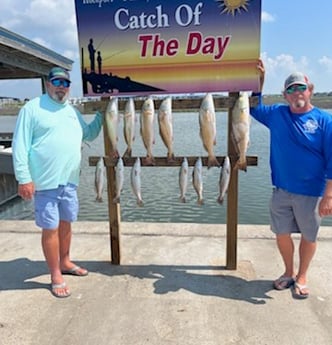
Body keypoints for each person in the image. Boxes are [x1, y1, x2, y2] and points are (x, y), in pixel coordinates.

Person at [12, 67, 103, 298]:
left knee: (66, 224)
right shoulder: (32, 109)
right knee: (50, 228)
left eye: (65, 83)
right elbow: (20, 146)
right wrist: (24, 178)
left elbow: (88, 134)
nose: (61, 87)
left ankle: (65, 261)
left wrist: (102, 115)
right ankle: (55, 275)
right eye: (57, 82)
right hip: (44, 183)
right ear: (48, 84)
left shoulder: (72, 111)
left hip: (69, 181)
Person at [250, 59, 332, 299]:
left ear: (311, 91)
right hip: (281, 190)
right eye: (291, 89)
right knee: (281, 233)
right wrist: (260, 80)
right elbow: (254, 106)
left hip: (312, 192)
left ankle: (303, 276)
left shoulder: (325, 121)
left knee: (309, 235)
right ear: (284, 95)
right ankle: (289, 271)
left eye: (301, 88)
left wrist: (329, 195)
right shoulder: (277, 114)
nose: (297, 93)